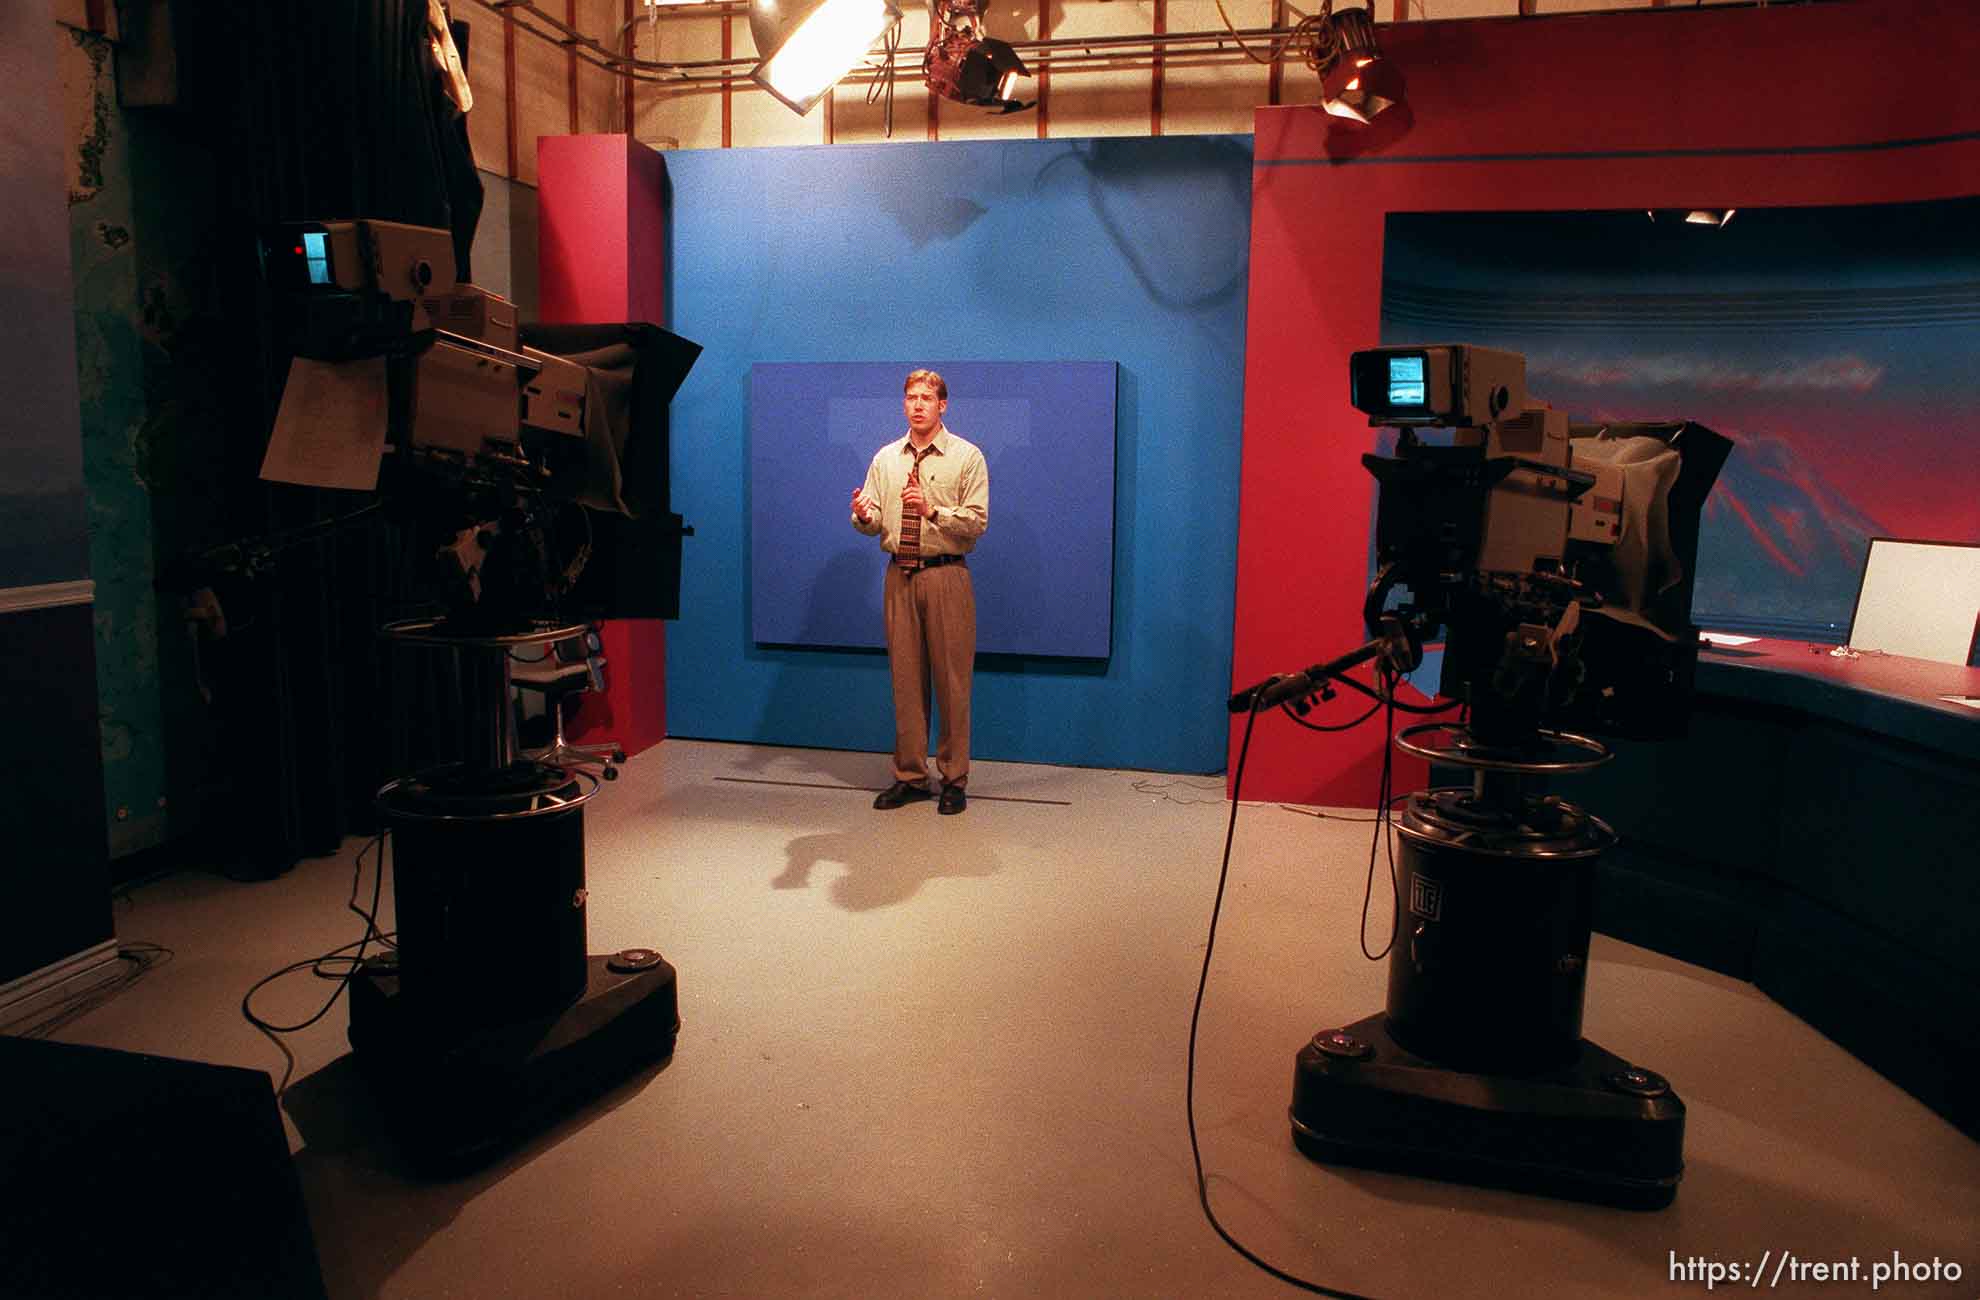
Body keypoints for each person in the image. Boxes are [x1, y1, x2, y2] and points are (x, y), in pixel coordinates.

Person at [850, 369, 989, 815]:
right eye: (911, 397)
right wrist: (863, 514)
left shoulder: (966, 457)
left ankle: (953, 779)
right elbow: (869, 521)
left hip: (946, 575)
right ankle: (910, 776)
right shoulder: (886, 459)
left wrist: (932, 510)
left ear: (942, 405)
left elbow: (976, 522)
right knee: (906, 682)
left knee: (952, 683)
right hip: (900, 576)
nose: (918, 404)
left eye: (927, 397)